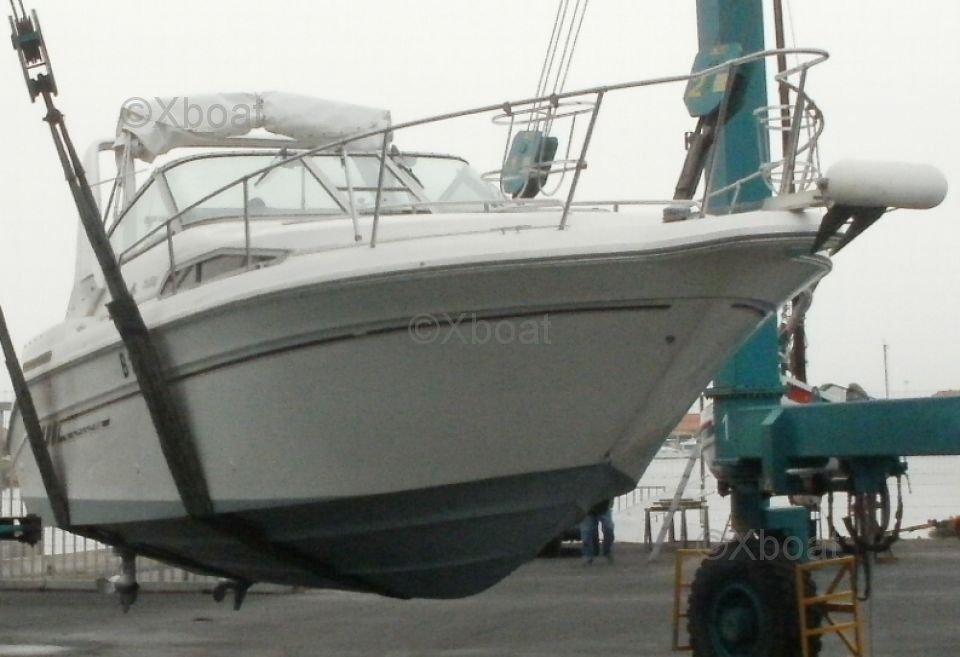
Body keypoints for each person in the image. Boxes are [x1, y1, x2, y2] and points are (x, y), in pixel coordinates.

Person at [580, 498, 614, 564]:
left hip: (603, 507)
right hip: (587, 510)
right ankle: (587, 556)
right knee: (586, 535)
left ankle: (607, 551)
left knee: (609, 530)